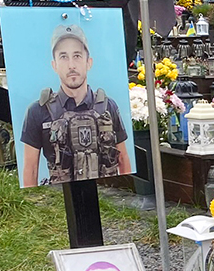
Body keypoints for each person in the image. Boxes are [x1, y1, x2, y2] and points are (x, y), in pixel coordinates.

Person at [21, 24, 131, 187]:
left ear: (89, 62)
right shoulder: (37, 111)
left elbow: (122, 160)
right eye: (63, 57)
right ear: (54, 65)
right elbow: (31, 169)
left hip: (107, 198)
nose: (71, 65)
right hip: (60, 201)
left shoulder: (109, 107)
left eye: (77, 56)